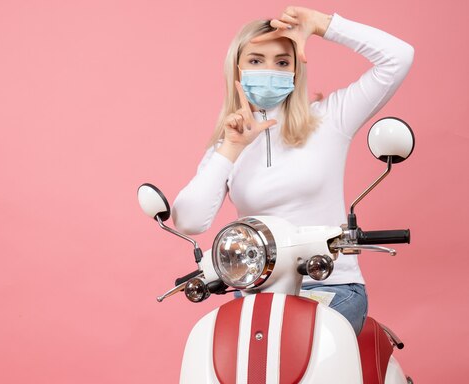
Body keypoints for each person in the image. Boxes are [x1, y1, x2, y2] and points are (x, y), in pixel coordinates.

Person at [171, 6, 414, 335]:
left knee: (296, 344)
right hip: (259, 291)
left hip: (332, 286)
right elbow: (188, 220)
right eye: (256, 60)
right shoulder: (228, 144)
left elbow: (398, 57)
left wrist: (323, 25)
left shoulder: (330, 119)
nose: (269, 69)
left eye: (282, 62)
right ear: (237, 70)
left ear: (296, 71)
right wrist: (230, 148)